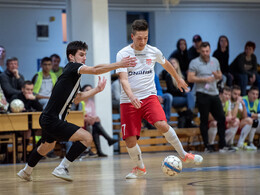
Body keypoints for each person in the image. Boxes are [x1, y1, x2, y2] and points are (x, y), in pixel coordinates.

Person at [17, 40, 136, 182]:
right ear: (71, 56)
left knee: (46, 146)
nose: (84, 57)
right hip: (53, 119)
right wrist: (119, 65)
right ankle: (62, 167)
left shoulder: (72, 75)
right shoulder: (72, 67)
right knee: (87, 138)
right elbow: (96, 70)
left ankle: (26, 171)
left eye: (85, 54)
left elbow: (77, 98)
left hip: (48, 118)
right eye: (81, 54)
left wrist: (96, 89)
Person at [116, 19, 203, 179]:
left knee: (162, 124)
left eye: (145, 38)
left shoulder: (153, 51)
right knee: (129, 141)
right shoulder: (122, 54)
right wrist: (131, 95)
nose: (142, 42)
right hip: (128, 100)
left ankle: (183, 155)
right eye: (139, 38)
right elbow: (123, 79)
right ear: (132, 36)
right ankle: (140, 168)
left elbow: (167, 64)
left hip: (149, 96)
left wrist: (177, 78)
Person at [188, 41, 227, 152]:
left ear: (210, 50)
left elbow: (220, 75)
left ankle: (222, 145)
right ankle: (207, 145)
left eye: (207, 51)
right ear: (199, 51)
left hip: (214, 93)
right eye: (203, 51)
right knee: (204, 120)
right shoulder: (194, 62)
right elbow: (190, 78)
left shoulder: (215, 61)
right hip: (202, 93)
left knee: (221, 118)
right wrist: (204, 79)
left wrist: (217, 75)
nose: (205, 53)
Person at [82, 84, 118, 157]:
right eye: (87, 90)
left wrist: (94, 118)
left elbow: (93, 114)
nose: (89, 92)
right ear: (82, 91)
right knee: (96, 124)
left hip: (90, 123)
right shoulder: (80, 102)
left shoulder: (91, 102)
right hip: (81, 122)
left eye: (90, 90)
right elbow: (76, 115)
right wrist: (88, 119)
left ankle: (102, 148)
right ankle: (107, 141)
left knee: (96, 123)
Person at [11, 81, 43, 160]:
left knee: (45, 131)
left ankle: (33, 153)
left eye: (31, 90)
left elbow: (40, 109)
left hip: (31, 125)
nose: (30, 92)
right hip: (16, 125)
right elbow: (11, 110)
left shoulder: (32, 98)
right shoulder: (16, 97)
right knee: (27, 131)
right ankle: (24, 155)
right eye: (28, 89)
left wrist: (34, 100)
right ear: (22, 89)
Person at [207, 87, 239, 152]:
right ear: (220, 94)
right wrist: (224, 118)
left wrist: (230, 119)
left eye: (229, 95)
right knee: (215, 123)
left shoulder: (228, 102)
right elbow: (209, 117)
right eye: (225, 94)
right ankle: (211, 144)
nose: (227, 96)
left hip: (222, 123)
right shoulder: (215, 102)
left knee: (236, 122)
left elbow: (230, 115)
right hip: (211, 123)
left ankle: (224, 144)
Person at [229, 85, 253, 150]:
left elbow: (245, 116)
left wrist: (243, 105)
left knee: (249, 120)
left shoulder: (238, 101)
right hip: (228, 122)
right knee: (236, 120)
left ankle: (240, 143)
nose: (237, 96)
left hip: (236, 123)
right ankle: (229, 143)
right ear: (230, 93)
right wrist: (237, 103)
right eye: (235, 94)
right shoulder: (228, 101)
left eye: (238, 94)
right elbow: (233, 116)